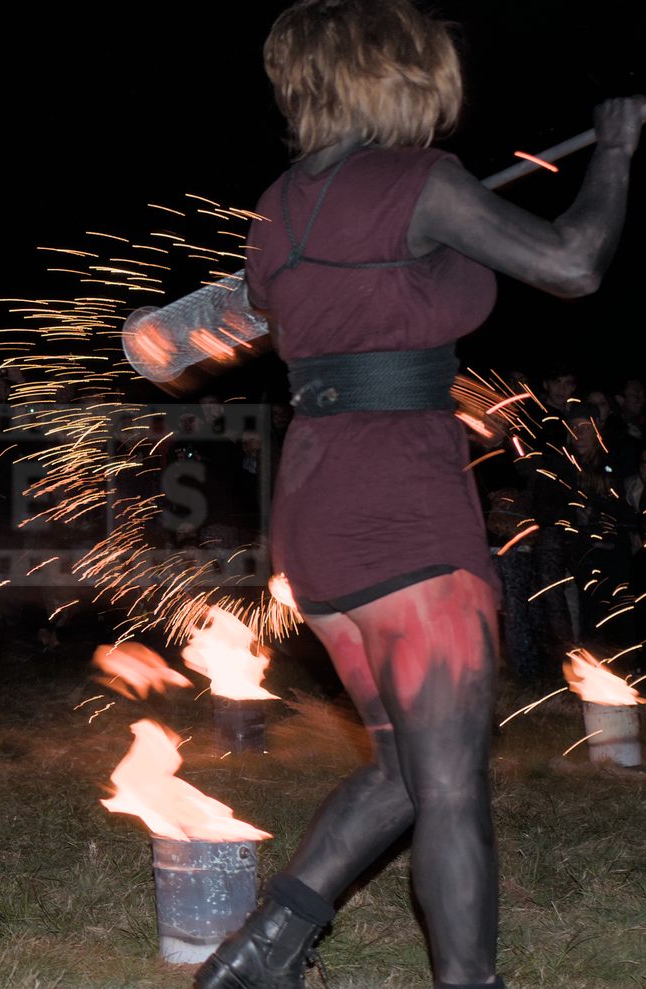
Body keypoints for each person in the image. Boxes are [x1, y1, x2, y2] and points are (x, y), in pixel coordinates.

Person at [193, 5, 645, 988]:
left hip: (318, 514)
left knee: (404, 772)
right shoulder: (424, 182)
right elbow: (572, 261)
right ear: (395, 77)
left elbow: (299, 301)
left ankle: (258, 952)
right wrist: (614, 151)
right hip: (405, 503)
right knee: (447, 786)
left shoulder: (279, 203)